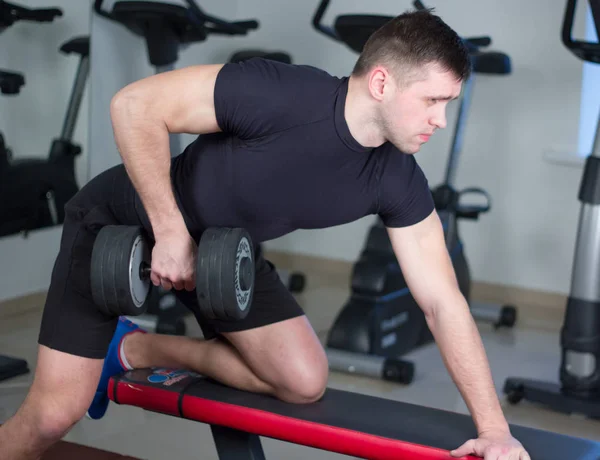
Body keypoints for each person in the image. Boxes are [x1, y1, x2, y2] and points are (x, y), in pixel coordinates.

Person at [0, 8, 530, 460]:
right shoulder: (279, 94)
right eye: (432, 100)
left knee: (302, 381)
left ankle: (133, 349)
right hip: (122, 221)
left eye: (448, 105)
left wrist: (493, 429)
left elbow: (442, 300)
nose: (439, 120)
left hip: (222, 254)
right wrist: (170, 231)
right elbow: (134, 107)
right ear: (383, 82)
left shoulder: (398, 179)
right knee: (51, 417)